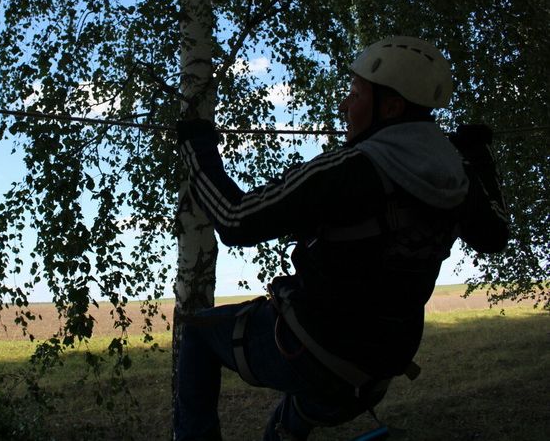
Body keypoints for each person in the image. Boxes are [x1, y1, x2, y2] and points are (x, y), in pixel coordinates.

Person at [173, 36, 509, 441]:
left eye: (354, 94)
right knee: (295, 416)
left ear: (392, 106)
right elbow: (495, 236)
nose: (344, 107)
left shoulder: (351, 168)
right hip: (376, 367)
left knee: (198, 334)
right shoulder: (458, 175)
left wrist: (198, 148)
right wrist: (479, 159)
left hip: (315, 350)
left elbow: (234, 219)